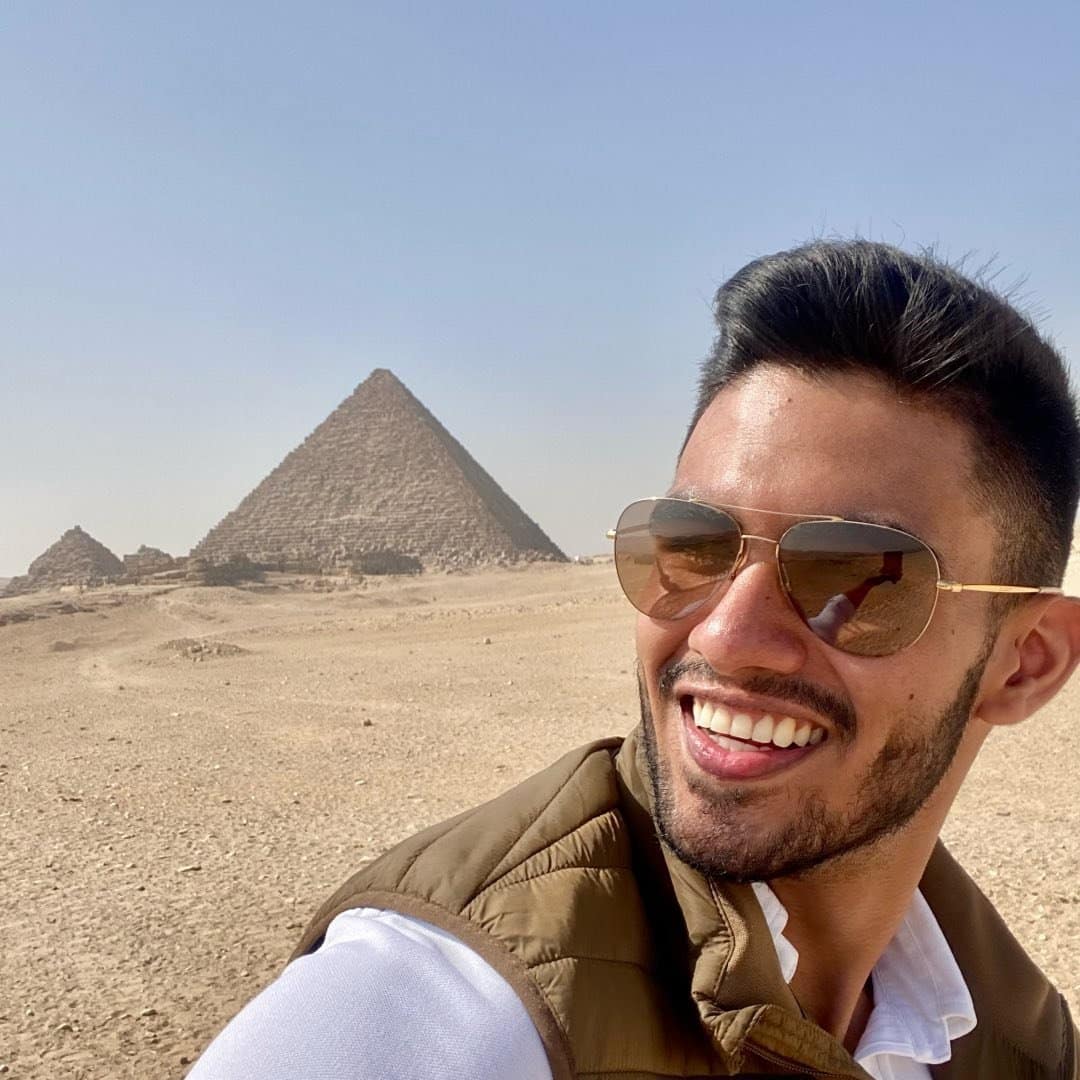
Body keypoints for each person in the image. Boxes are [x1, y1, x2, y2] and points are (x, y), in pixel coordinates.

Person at [190, 241, 1080, 1079]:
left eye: (858, 575)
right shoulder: (437, 1017)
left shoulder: (1013, 1032)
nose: (725, 635)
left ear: (1026, 664)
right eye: (694, 544)